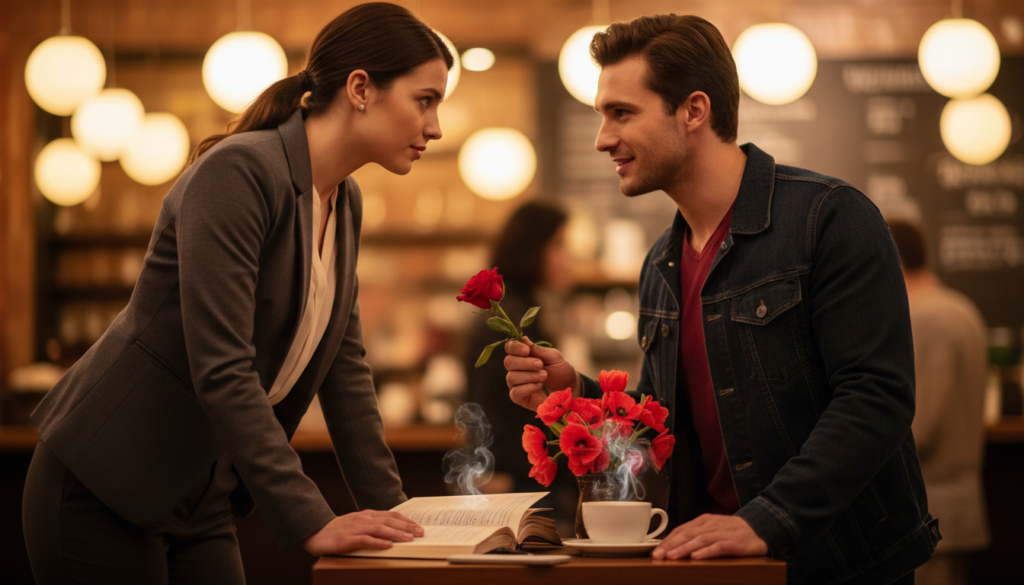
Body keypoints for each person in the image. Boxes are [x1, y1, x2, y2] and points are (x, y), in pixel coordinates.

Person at [502, 13, 938, 584]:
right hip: (713, 564)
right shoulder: (661, 262)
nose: (602, 138)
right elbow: (664, 430)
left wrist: (767, 520)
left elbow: (876, 397)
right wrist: (577, 393)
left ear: (693, 110)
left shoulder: (828, 218)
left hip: (840, 564)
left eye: (621, 113)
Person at [23, 3, 452, 583]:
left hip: (201, 494)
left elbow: (344, 371)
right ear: (360, 88)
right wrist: (310, 520)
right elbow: (222, 365)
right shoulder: (242, 173)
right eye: (424, 100)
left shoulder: (343, 201)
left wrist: (404, 521)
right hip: (103, 482)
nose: (436, 126)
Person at [888, 220, 990, 585]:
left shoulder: (924, 318)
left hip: (930, 511)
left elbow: (920, 426)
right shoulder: (961, 308)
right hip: (953, 509)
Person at [463, 201, 576, 528]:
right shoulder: (513, 321)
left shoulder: (517, 310)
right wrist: (495, 471)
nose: (568, 259)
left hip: (520, 476)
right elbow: (490, 406)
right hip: (520, 482)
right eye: (559, 245)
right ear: (532, 249)